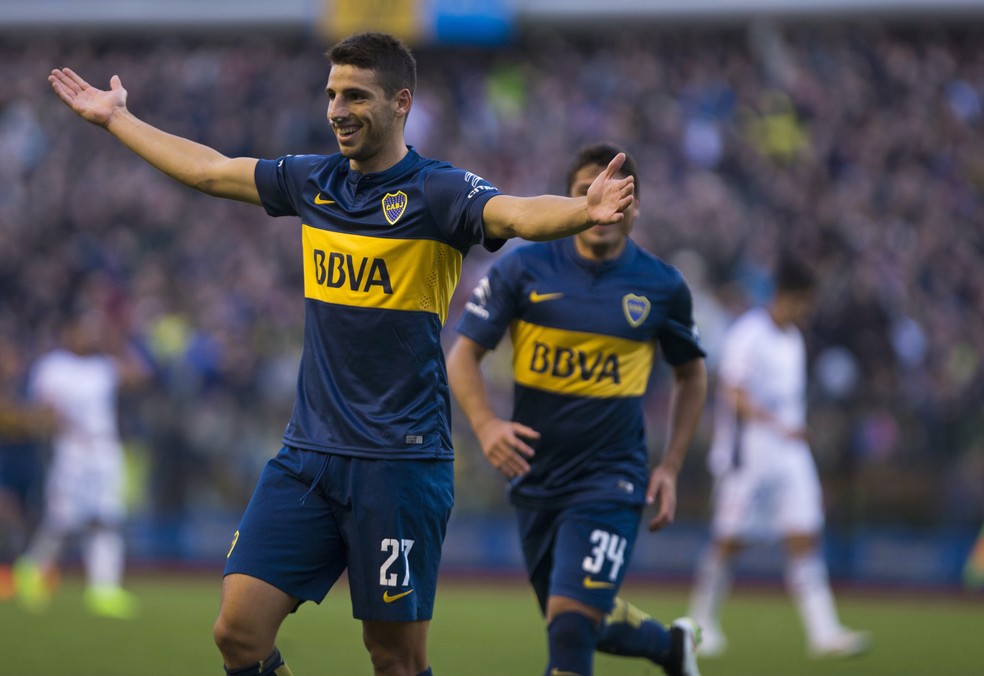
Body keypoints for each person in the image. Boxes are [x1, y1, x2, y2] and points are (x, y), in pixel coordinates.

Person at [47, 32, 635, 676]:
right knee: (236, 633)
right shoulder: (313, 180)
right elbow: (211, 170)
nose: (336, 109)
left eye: (356, 95)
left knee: (395, 660)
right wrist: (118, 119)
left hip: (399, 465)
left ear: (401, 102)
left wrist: (584, 211)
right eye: (331, 94)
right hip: (308, 456)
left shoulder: (438, 192)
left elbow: (519, 213)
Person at [447, 143, 708, 676]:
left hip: (612, 479)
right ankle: (671, 648)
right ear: (570, 203)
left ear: (635, 206)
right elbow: (463, 356)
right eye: (586, 193)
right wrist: (486, 424)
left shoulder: (661, 286)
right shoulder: (523, 268)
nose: (602, 203)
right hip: (536, 478)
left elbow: (691, 374)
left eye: (618, 194)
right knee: (575, 617)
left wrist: (671, 466)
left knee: (569, 626)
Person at [687, 257, 870, 659]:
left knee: (805, 535)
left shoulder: (794, 339)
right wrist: (777, 425)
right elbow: (733, 394)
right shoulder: (749, 333)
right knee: (730, 539)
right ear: (785, 296)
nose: (808, 310)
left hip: (790, 454)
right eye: (804, 301)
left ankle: (824, 632)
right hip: (748, 454)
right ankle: (701, 623)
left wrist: (793, 431)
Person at [14, 309, 151, 619]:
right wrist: (53, 423)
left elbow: (141, 375)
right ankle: (33, 569)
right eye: (82, 330)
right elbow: (42, 410)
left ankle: (104, 588)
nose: (88, 335)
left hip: (105, 448)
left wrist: (116, 342)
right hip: (72, 449)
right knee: (61, 519)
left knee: (107, 517)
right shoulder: (53, 366)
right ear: (67, 332)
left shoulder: (102, 365)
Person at [0, 340, 52, 599]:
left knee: (31, 517)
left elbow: (46, 417)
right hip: (5, 457)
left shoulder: (29, 387)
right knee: (7, 513)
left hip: (27, 457)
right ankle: (8, 572)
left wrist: (21, 419)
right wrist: (25, 419)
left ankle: (27, 571)